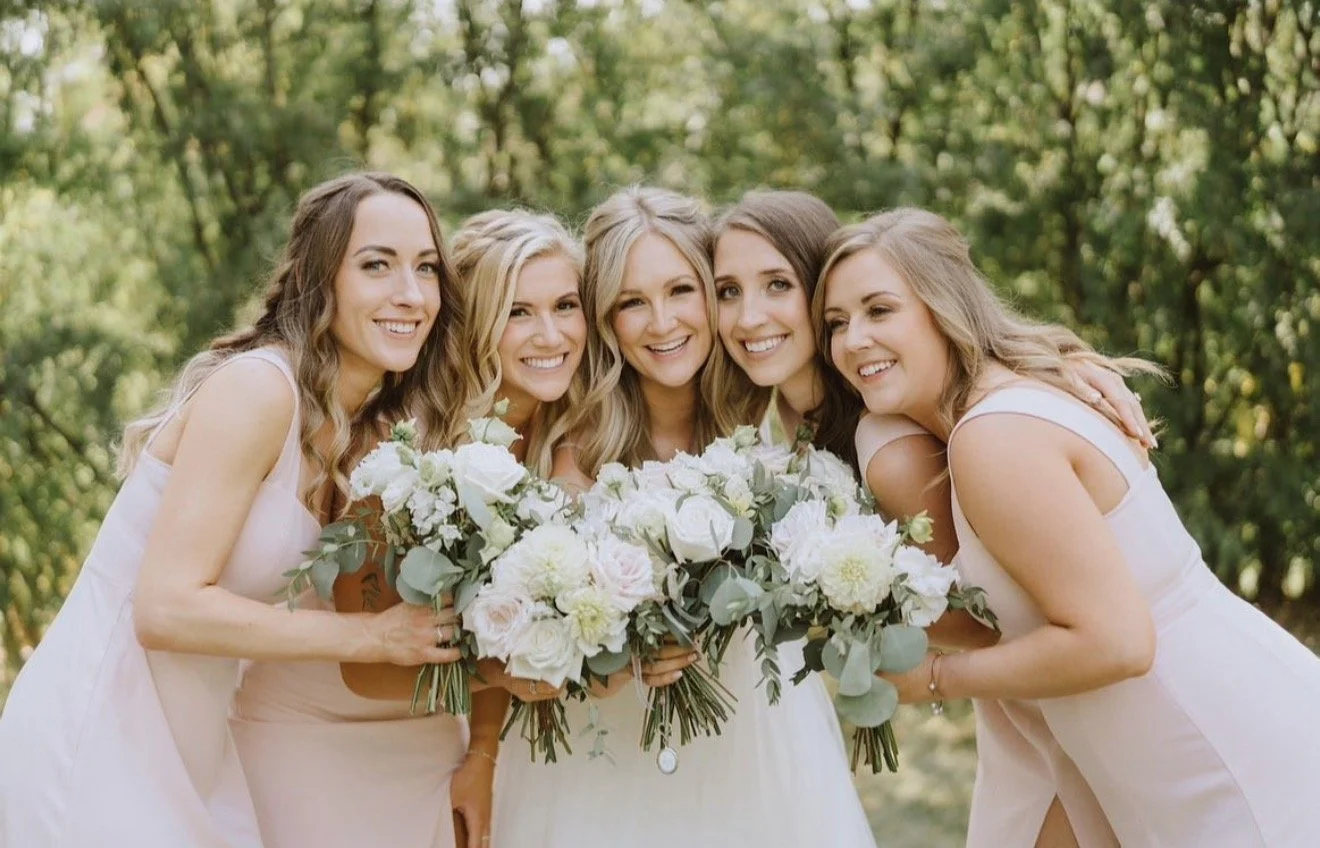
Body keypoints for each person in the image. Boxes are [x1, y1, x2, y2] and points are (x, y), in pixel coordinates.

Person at [819, 206, 1320, 847]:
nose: (853, 339)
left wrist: (936, 680)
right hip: (1181, 751)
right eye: (837, 322)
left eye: (879, 310)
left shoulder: (992, 437)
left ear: (944, 307)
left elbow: (1118, 640)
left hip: (1220, 751)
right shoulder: (1002, 405)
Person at [0, 171, 462, 847]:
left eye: (426, 268)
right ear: (319, 279)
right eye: (376, 266)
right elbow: (166, 608)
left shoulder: (367, 436)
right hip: (101, 726)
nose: (411, 294)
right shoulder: (257, 391)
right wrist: (375, 637)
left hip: (198, 741)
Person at [492, 186, 877, 848]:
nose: (661, 322)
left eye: (680, 292)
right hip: (609, 763)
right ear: (606, 319)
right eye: (631, 302)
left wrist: (1046, 360)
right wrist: (613, 655)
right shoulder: (574, 442)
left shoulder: (772, 408)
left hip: (763, 740)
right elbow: (522, 640)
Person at [229, 208, 582, 848]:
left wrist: (481, 754)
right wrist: (510, 671)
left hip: (427, 734)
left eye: (566, 305)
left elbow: (496, 620)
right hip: (315, 729)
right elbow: (363, 664)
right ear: (474, 324)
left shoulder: (560, 442)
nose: (550, 333)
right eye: (518, 312)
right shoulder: (402, 446)